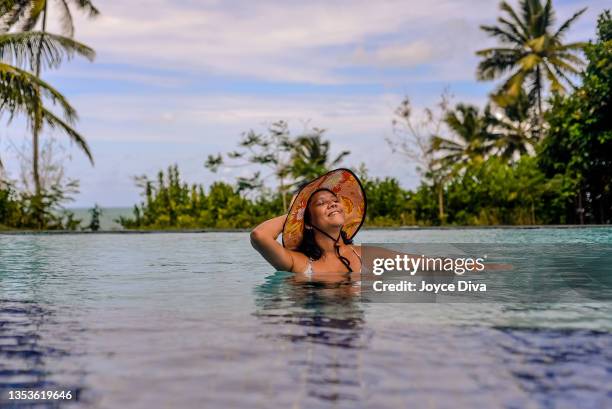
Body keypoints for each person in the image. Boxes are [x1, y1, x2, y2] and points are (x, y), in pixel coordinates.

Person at [250, 168, 366, 282]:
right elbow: (259, 235)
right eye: (321, 203)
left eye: (335, 201)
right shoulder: (299, 264)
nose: (332, 204)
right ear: (307, 222)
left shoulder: (364, 253)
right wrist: (295, 214)